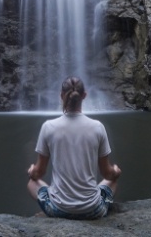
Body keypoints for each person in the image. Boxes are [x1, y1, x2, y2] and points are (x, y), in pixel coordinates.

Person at [27, 76, 121, 219]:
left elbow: (39, 173)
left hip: (58, 209)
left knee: (32, 183)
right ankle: (90, 202)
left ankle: (60, 203)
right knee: (112, 181)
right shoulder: (98, 127)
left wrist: (32, 171)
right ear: (84, 96)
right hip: (93, 210)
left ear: (61, 96)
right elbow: (106, 173)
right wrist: (115, 171)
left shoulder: (48, 127)